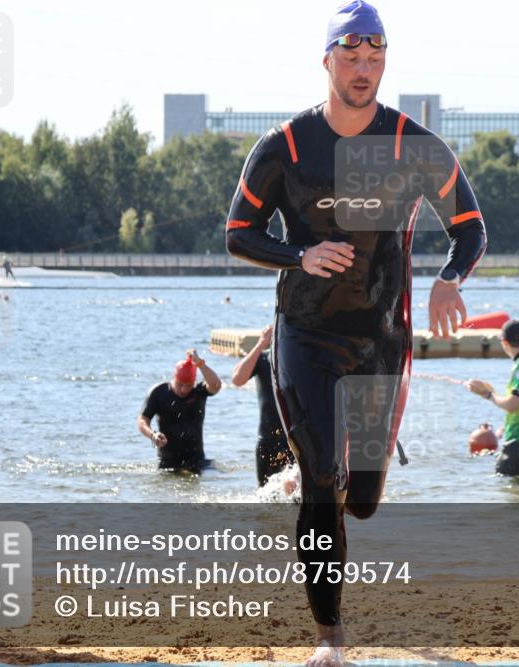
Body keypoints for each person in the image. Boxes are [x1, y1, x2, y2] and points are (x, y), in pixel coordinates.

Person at [224, 3, 486, 664]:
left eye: (375, 57)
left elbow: (470, 226)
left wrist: (450, 278)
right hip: (304, 332)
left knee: (360, 499)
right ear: (328, 60)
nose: (364, 69)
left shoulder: (411, 145)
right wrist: (297, 256)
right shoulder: (284, 146)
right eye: (352, 56)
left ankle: (352, 485)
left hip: (380, 339)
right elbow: (237, 234)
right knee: (320, 478)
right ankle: (329, 637)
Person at [466, 320, 519, 477]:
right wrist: (503, 428)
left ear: (504, 342)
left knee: (504, 485)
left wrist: (487, 394)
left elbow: (512, 404)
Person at [229, 324, 296, 486]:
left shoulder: (299, 364)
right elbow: (237, 379)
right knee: (264, 499)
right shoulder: (263, 359)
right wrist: (260, 345)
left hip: (294, 441)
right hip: (267, 440)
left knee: (294, 490)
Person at [137, 349, 222, 473]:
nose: (183, 390)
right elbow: (142, 420)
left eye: (188, 385)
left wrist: (199, 363)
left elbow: (215, 385)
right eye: (180, 384)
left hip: (196, 460)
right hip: (167, 462)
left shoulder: (199, 391)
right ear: (174, 378)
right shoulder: (159, 393)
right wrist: (152, 434)